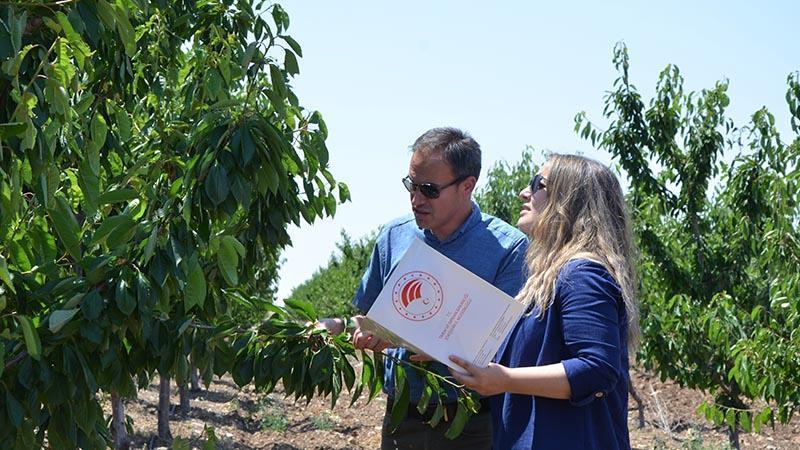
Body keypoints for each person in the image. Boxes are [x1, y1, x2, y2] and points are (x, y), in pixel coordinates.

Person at [321, 127, 528, 450]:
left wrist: (439, 346)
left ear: (467, 186)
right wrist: (342, 327)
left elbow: (509, 342)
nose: (416, 200)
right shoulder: (394, 236)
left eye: (429, 190)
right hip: (404, 416)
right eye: (411, 186)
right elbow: (372, 319)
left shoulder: (508, 248)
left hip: (472, 421)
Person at [449, 154, 639, 449]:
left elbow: (597, 368)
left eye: (539, 184)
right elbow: (531, 357)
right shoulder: (549, 276)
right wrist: (442, 344)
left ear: (571, 200)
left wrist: (505, 380)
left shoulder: (583, 274)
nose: (524, 192)